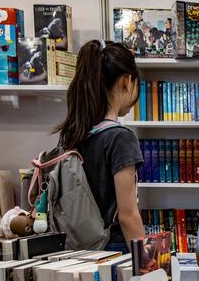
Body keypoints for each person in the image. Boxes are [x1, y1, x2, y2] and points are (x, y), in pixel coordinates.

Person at [54, 39, 144, 252]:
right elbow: (128, 216)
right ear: (126, 82)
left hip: (78, 251)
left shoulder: (73, 133)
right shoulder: (120, 138)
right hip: (114, 252)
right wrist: (149, 263)